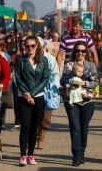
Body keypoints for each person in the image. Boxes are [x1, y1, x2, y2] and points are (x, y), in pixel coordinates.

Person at [60, 41, 98, 166]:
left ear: (86, 52)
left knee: (84, 129)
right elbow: (63, 79)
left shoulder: (91, 65)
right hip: (72, 101)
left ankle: (82, 153)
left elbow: (95, 81)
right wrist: (69, 81)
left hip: (87, 102)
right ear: (74, 52)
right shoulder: (69, 65)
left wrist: (85, 83)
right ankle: (76, 156)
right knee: (75, 128)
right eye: (77, 51)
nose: (80, 53)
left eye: (83, 51)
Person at [15, 36, 50, 166]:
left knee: (35, 127)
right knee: (25, 126)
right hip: (23, 97)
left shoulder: (43, 60)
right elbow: (17, 78)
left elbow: (45, 78)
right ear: (24, 46)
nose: (30, 48)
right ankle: (23, 155)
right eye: (27, 46)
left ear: (37, 46)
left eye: (32, 46)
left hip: (38, 97)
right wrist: (26, 94)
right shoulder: (21, 60)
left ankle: (31, 154)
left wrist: (32, 94)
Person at [36, 37, 60, 150]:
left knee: (46, 117)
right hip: (34, 91)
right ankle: (33, 137)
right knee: (35, 117)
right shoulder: (29, 58)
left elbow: (55, 74)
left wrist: (54, 88)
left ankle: (41, 138)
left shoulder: (49, 58)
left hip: (48, 91)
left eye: (38, 46)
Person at [10, 34, 29, 132]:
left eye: (24, 41)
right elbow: (11, 67)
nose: (23, 43)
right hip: (17, 80)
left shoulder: (32, 53)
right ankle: (18, 123)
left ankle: (26, 122)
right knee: (17, 101)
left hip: (29, 81)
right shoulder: (17, 54)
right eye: (21, 41)